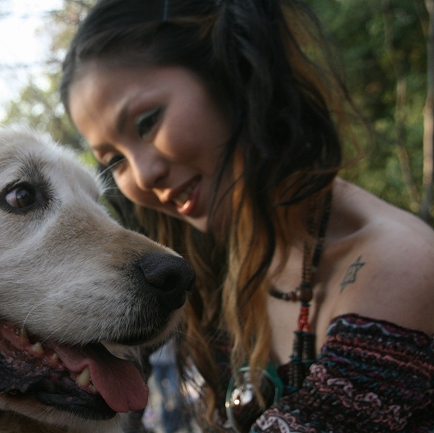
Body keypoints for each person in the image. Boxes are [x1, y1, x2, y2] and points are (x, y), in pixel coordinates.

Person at [59, 0, 434, 432]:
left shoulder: (394, 265)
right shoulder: (202, 260)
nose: (144, 175)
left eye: (147, 122)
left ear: (229, 74)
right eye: (114, 161)